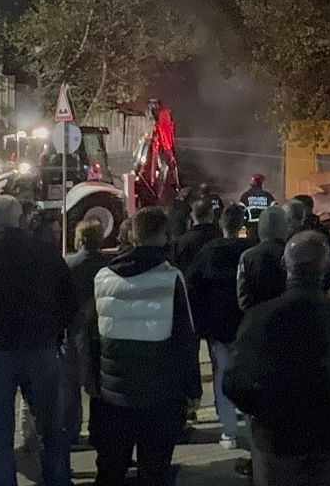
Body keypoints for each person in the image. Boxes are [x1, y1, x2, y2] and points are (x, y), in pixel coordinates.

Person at [225, 232, 330, 486]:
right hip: (326, 434)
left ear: (284, 265)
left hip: (275, 437)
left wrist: (263, 409)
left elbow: (232, 380)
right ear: (326, 266)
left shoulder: (259, 318)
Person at [0, 195, 79, 486]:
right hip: (40, 349)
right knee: (51, 429)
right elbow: (70, 302)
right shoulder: (46, 254)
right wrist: (53, 331)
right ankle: (58, 480)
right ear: (20, 220)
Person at [86, 208, 200, 486]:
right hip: (160, 394)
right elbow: (186, 339)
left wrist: (93, 385)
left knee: (111, 470)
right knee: (155, 469)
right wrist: (192, 390)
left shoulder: (102, 277)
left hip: (113, 396)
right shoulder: (171, 277)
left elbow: (91, 337)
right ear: (163, 235)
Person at [185, 204, 253, 449]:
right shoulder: (250, 251)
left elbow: (192, 287)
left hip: (217, 328)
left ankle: (229, 432)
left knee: (222, 376)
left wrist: (200, 322)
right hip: (245, 325)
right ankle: (252, 429)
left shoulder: (208, 252)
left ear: (222, 224)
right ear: (241, 224)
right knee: (247, 377)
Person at [63, 220, 111, 447]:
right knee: (98, 385)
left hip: (72, 329)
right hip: (99, 330)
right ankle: (98, 430)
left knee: (71, 386)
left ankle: (72, 431)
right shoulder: (108, 265)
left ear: (79, 239)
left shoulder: (67, 265)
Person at [237, 205, 292, 311]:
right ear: (285, 228)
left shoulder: (247, 257)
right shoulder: (292, 254)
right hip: (287, 318)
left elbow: (244, 301)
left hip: (256, 320)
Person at [172, 200, 222, 275]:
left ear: (192, 216)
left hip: (189, 284)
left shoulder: (181, 241)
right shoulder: (219, 238)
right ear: (211, 215)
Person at [239, 174, 276, 239]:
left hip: (250, 229)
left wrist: (242, 234)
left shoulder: (245, 196)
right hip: (265, 228)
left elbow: (240, 213)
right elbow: (275, 211)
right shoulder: (268, 196)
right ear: (262, 184)